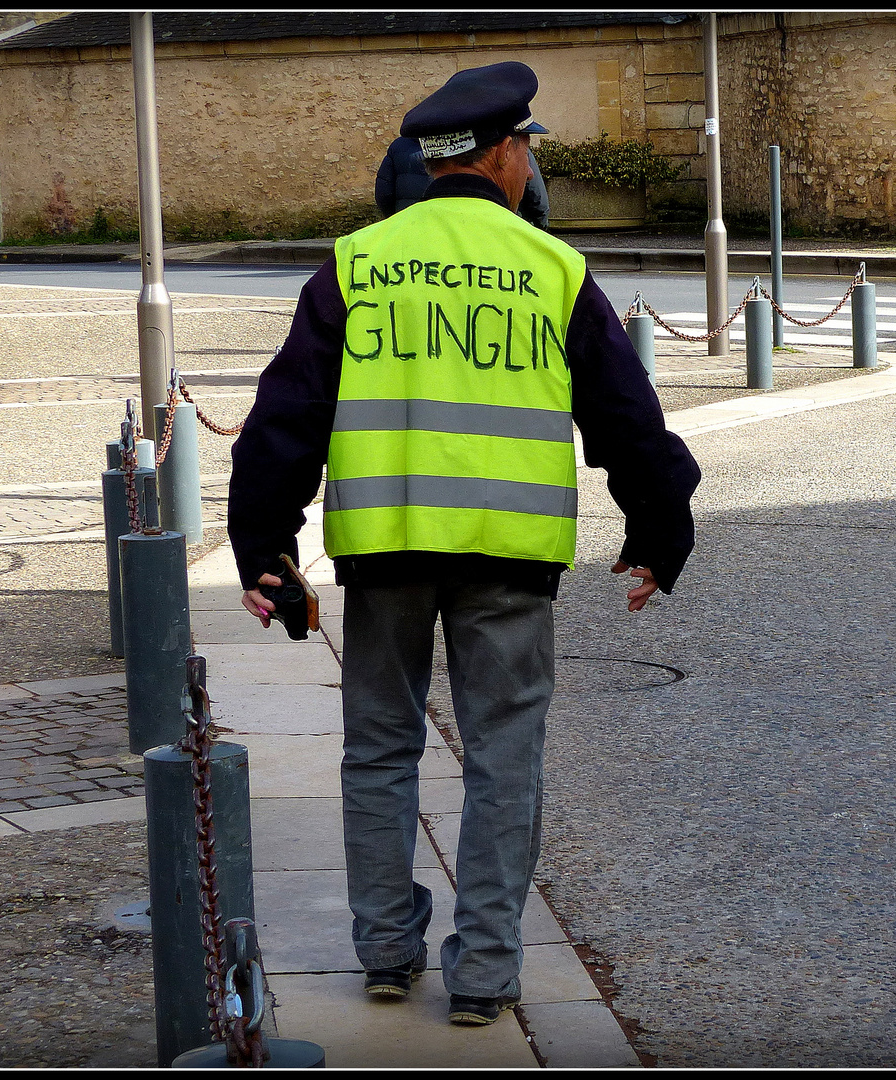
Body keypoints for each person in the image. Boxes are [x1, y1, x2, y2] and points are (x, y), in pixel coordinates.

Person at [229, 60, 699, 1028]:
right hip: (506, 557)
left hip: (387, 551)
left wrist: (263, 546)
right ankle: (485, 973)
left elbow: (286, 417)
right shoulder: (553, 272)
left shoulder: (356, 267)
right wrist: (660, 529)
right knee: (502, 757)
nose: (531, 163)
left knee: (380, 750)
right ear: (500, 152)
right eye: (527, 145)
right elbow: (625, 418)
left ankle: (387, 953)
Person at [376, 134, 550, 229]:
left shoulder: (399, 147)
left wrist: (398, 220)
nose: (529, 173)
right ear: (505, 149)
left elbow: (384, 194)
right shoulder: (515, 151)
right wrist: (541, 225)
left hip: (410, 229)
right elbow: (537, 196)